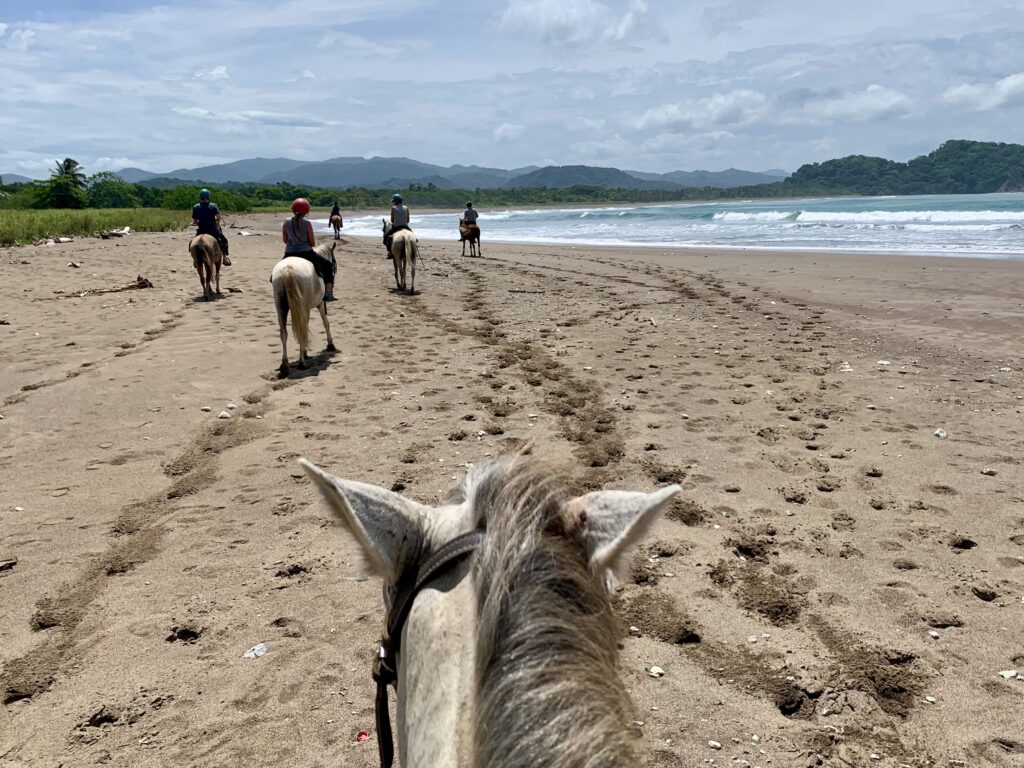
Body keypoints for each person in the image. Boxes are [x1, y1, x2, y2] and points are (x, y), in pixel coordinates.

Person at [282, 197, 336, 301]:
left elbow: (285, 240)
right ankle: (328, 293)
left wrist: (293, 244)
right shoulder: (307, 224)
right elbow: (312, 242)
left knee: (276, 271)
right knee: (328, 266)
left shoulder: (286, 222)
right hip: (306, 253)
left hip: (289, 253)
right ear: (306, 211)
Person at [192, 189, 231, 266]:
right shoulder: (213, 206)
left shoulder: (195, 207)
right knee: (224, 241)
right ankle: (225, 258)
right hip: (212, 230)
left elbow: (194, 221)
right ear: (208, 197)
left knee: (192, 243)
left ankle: (195, 260)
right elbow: (218, 218)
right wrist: (216, 222)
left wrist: (199, 224)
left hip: (201, 230)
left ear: (200, 197)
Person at [384, 193, 411, 258]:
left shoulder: (393, 208)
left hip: (396, 227)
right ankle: (414, 250)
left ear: (396, 201)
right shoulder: (406, 207)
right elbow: (408, 220)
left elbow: (392, 220)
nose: (393, 202)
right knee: (414, 237)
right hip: (405, 226)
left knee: (387, 237)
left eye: (393, 201)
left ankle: (390, 252)